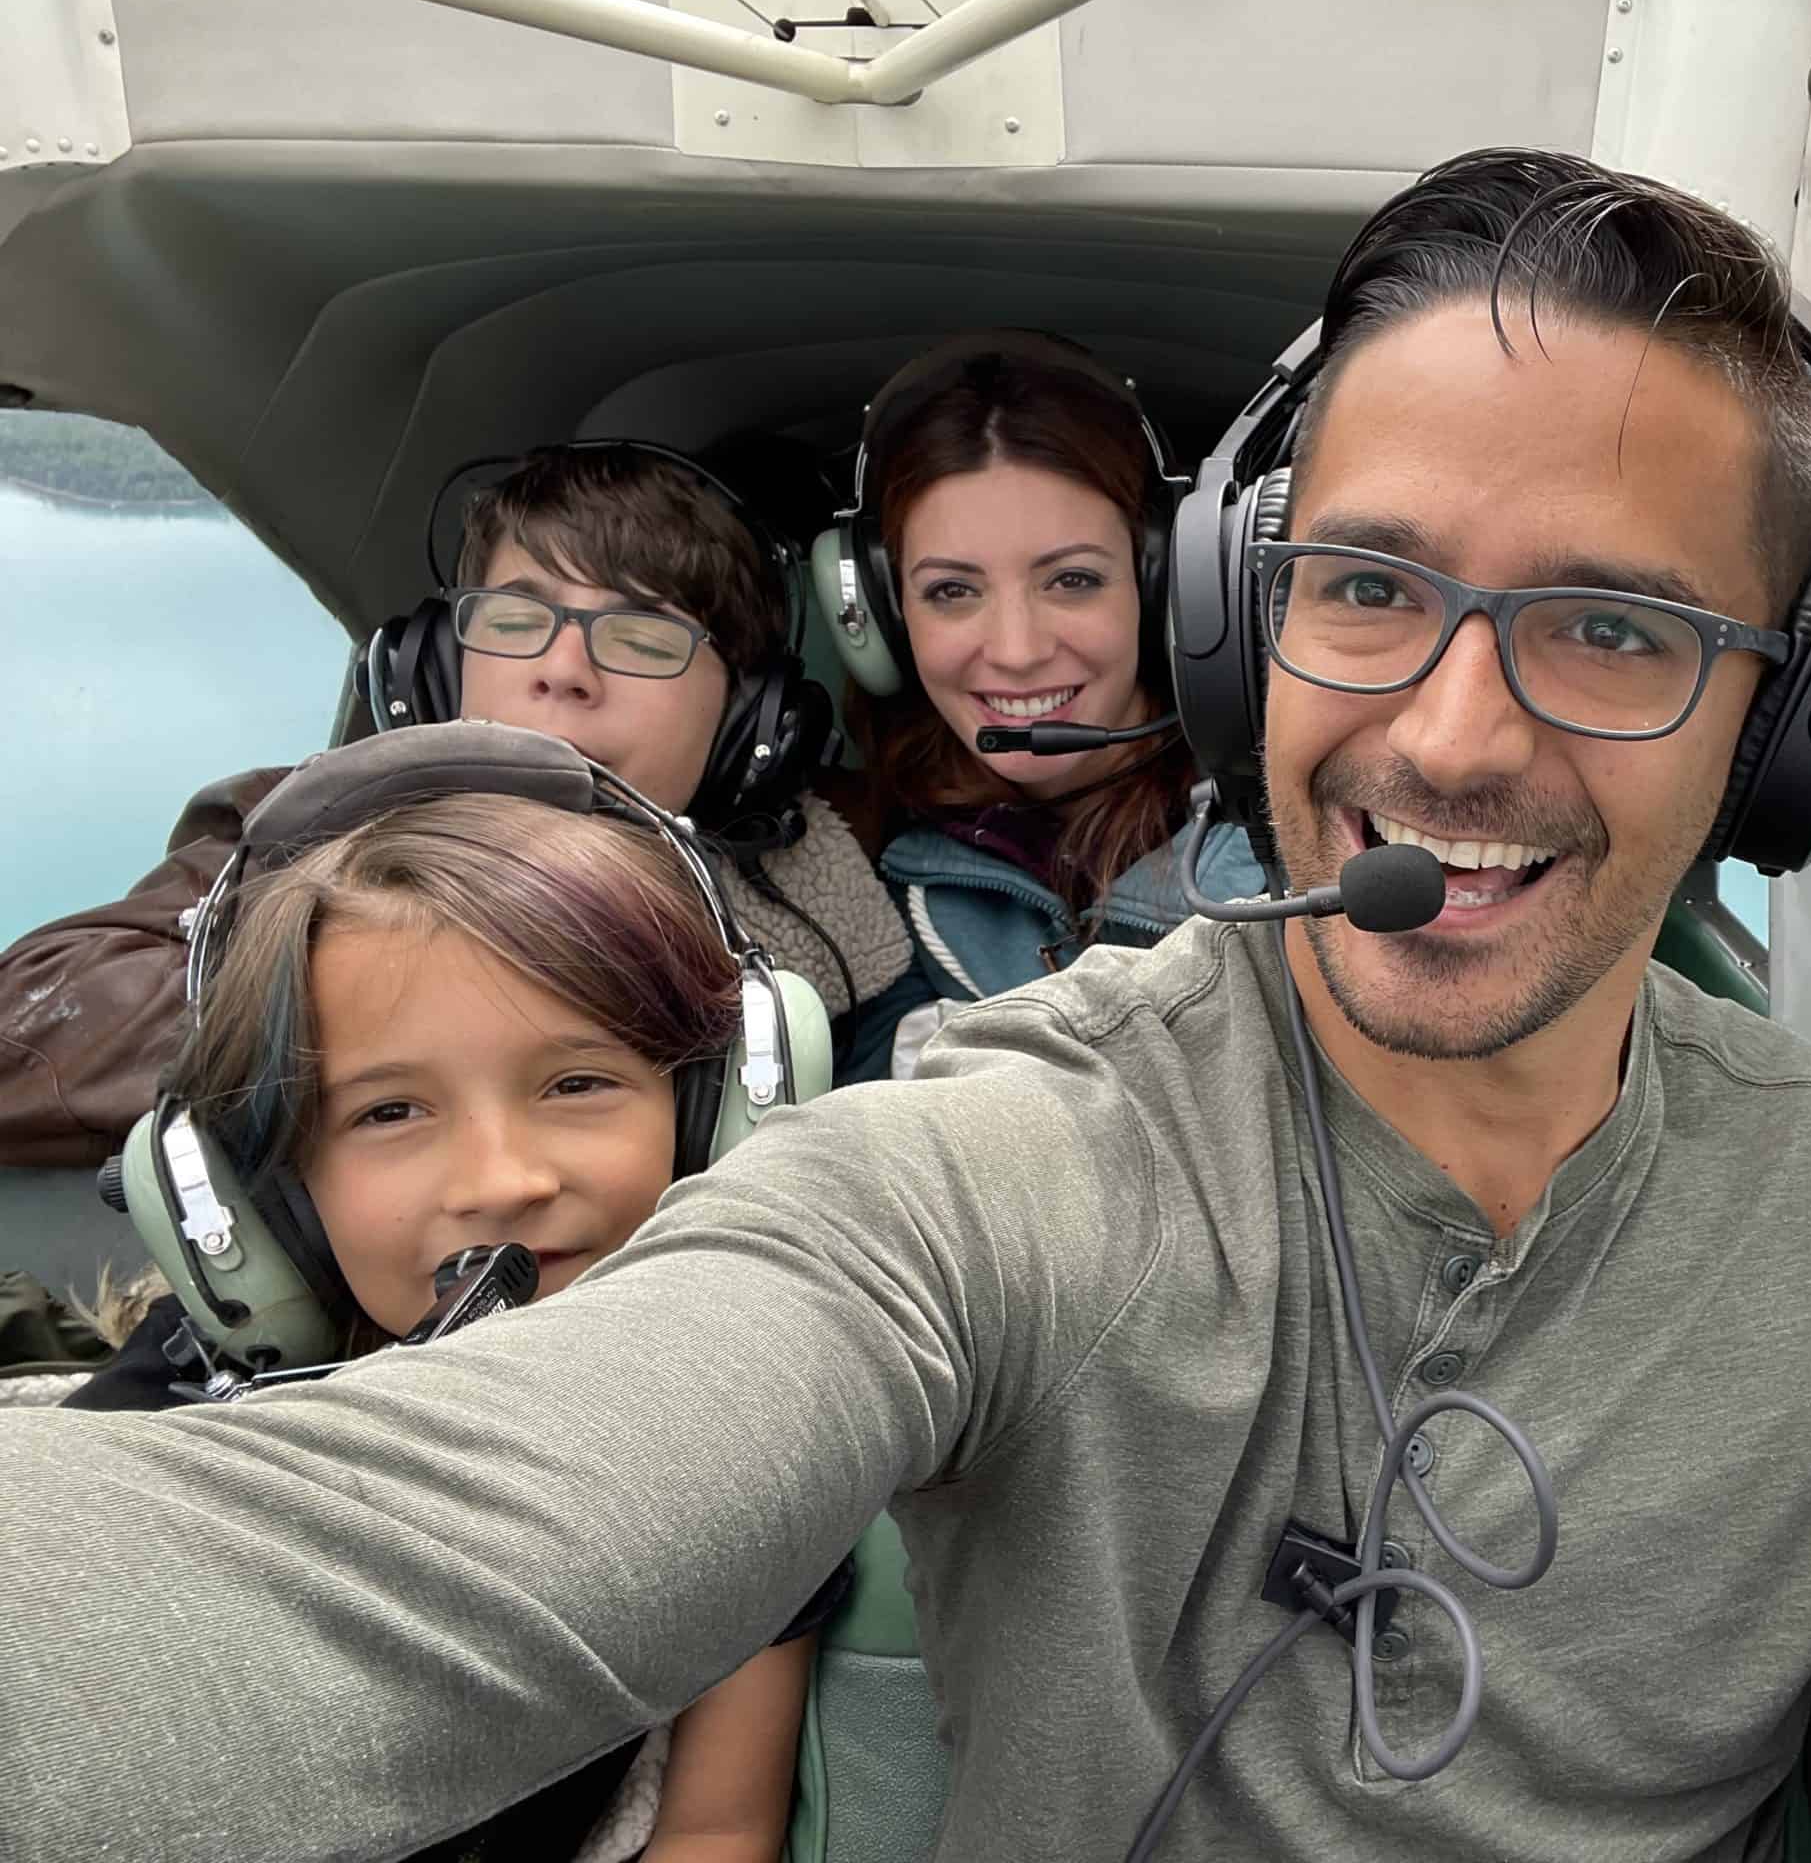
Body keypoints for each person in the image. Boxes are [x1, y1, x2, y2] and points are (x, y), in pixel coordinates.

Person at [0, 149, 1811, 1863]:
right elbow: (386, 1574)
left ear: (1792, 720)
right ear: (1245, 618)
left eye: (1613, 627)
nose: (1449, 731)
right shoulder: (1008, 1141)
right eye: (1363, 588)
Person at [46, 782, 832, 1863]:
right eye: (390, 1112)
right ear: (257, 1200)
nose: (501, 1181)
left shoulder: (754, 1467)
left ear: (713, 1122)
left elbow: (716, 1830)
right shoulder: (166, 1431)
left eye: (578, 1082)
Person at [0, 442, 910, 1168]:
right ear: (434, 670)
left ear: (749, 721)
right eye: (515, 623)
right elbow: (29, 1032)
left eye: (641, 635)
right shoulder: (301, 836)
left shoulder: (843, 906)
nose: (563, 672)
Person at [833, 332, 1265, 1082]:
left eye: (1071, 580)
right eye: (952, 592)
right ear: (883, 616)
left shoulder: (1289, 851)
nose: (1017, 649)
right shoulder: (853, 892)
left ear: (1162, 586)